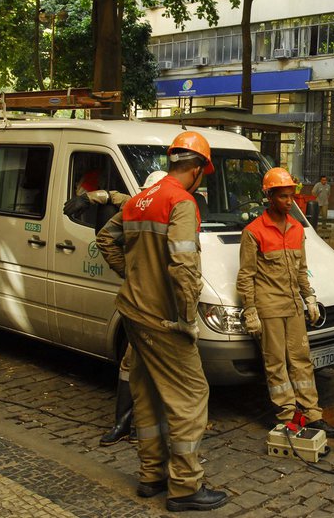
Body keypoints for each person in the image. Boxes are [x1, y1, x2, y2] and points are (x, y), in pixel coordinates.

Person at [96, 131, 228, 512]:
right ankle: (185, 486)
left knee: (147, 393)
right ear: (199, 168)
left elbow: (106, 238)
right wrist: (188, 318)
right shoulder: (182, 203)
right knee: (191, 397)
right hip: (163, 319)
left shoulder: (141, 199)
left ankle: (151, 475)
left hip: (133, 314)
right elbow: (185, 266)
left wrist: (132, 276)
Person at [236, 167, 334, 438]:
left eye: (291, 196)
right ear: (269, 197)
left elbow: (301, 269)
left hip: (294, 306)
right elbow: (246, 276)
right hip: (269, 308)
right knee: (276, 364)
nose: (289, 201)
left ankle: (312, 414)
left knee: (302, 361)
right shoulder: (253, 232)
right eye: (283, 196)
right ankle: (286, 415)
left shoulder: (297, 229)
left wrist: (310, 298)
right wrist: (250, 311)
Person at [66, 170, 167, 447]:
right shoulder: (139, 206)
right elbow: (114, 208)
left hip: (153, 298)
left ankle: (133, 424)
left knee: (143, 361)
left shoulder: (158, 209)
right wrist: (90, 196)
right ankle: (127, 423)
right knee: (133, 361)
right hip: (144, 297)